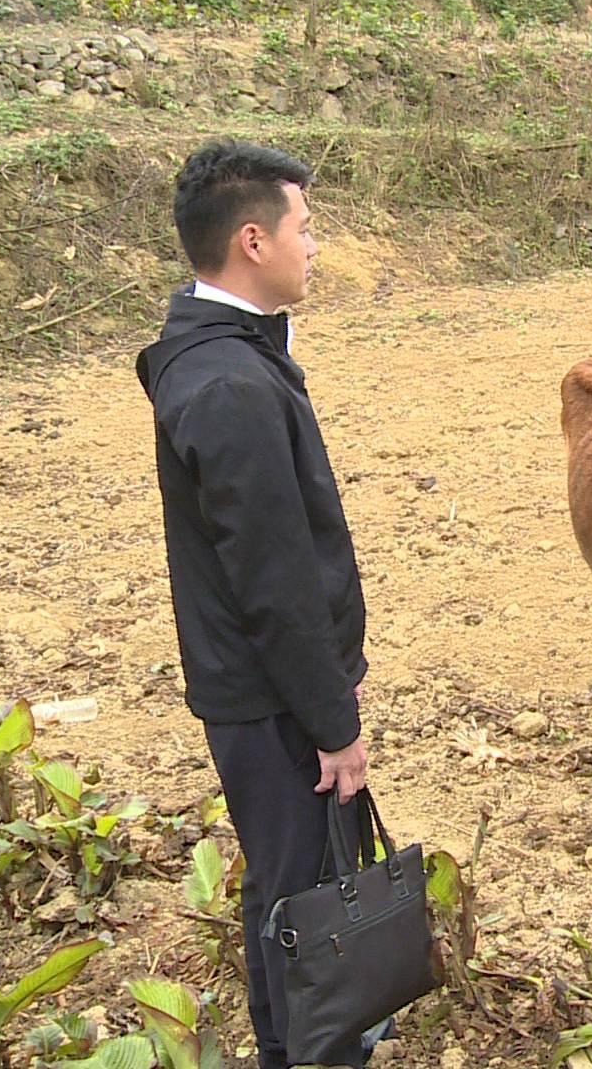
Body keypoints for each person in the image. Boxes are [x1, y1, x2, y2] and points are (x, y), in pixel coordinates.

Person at [137, 140, 377, 1068]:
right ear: (251, 241)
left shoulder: (216, 353)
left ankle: (286, 1048)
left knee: (283, 887)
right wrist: (333, 721)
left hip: (255, 686)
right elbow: (273, 581)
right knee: (311, 905)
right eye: (305, 229)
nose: (314, 246)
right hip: (273, 697)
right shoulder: (231, 383)